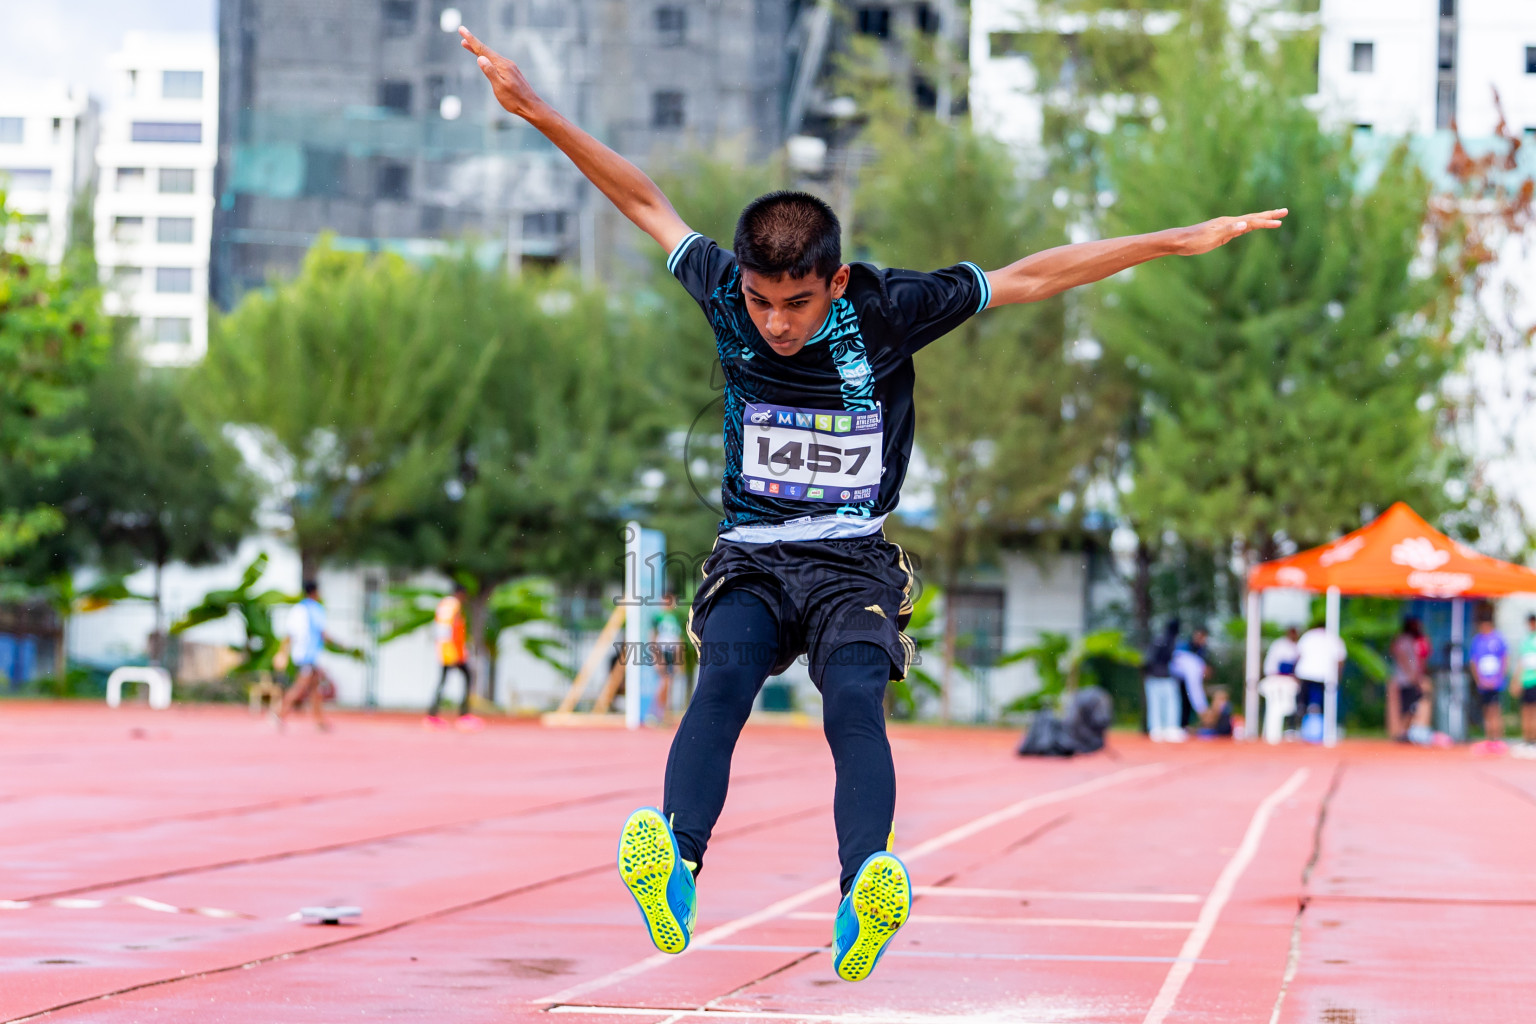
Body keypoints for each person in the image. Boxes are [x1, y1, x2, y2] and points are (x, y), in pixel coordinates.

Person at [455, 23, 1287, 982]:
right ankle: (676, 863)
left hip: (855, 558)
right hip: (753, 554)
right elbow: (643, 198)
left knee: (854, 705)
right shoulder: (723, 289)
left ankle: (862, 891)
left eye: (797, 304)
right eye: (763, 304)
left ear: (835, 282)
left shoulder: (890, 306)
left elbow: (1035, 272)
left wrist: (1176, 242)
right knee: (722, 680)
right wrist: (537, 111)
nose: (775, 325)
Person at [275, 580, 335, 732]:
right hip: (308, 656)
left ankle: (320, 721)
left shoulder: (297, 609)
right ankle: (279, 715)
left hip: (303, 655)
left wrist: (282, 652)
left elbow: (289, 635)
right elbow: (323, 634)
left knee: (316, 689)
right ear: (315, 592)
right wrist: (341, 644)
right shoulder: (316, 609)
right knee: (300, 687)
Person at [426, 585, 483, 732]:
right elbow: (447, 629)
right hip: (451, 651)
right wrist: (454, 651)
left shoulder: (445, 605)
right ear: (460, 594)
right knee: (466, 676)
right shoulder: (452, 605)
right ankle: (463, 715)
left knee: (445, 680)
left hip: (448, 650)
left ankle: (433, 715)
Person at [1293, 616, 1344, 739]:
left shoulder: (1308, 636)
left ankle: (1303, 729)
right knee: (1322, 704)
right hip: (1325, 675)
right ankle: (1321, 730)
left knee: (1303, 704)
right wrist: (1338, 676)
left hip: (1306, 673)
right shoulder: (1333, 638)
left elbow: (1298, 655)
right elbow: (1340, 659)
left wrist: (1295, 674)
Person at [1468, 611, 1508, 748]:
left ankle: (1497, 739)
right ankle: (1489, 740)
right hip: (1483, 683)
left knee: (1495, 710)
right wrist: (1479, 680)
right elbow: (1474, 662)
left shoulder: (1498, 639)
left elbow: (1504, 659)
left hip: (1495, 683)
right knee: (1486, 711)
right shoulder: (1477, 640)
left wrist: (1498, 678)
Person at [1143, 619, 1183, 742]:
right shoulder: (1170, 641)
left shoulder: (1158, 639)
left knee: (1155, 705)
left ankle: (1156, 728)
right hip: (1165, 678)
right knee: (1171, 704)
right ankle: (1170, 728)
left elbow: (1147, 660)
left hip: (1153, 677)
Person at [1387, 617, 1426, 742]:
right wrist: (1411, 673)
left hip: (1409, 678)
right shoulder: (1404, 640)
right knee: (1408, 706)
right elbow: (1403, 657)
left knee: (1412, 706)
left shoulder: (1409, 640)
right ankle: (1402, 732)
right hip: (1406, 679)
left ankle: (1404, 731)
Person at [650, 592, 685, 723]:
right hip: (662, 651)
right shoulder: (658, 617)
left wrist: (678, 659)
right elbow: (653, 638)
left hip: (671, 652)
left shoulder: (676, 618)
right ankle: (657, 712)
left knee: (669, 683)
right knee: (664, 682)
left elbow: (679, 640)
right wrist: (657, 657)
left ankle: (665, 714)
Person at [1170, 629, 1212, 732]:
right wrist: (1202, 708)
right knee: (1183, 700)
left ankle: (1185, 725)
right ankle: (1180, 725)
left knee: (1188, 701)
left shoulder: (1202, 651)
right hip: (1179, 680)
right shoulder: (1185, 648)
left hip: (1188, 680)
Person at [1517, 613, 1536, 746]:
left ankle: (1534, 738)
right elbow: (1521, 662)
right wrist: (1517, 680)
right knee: (1525, 710)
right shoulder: (1525, 640)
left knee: (1534, 710)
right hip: (1526, 680)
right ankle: (1527, 738)